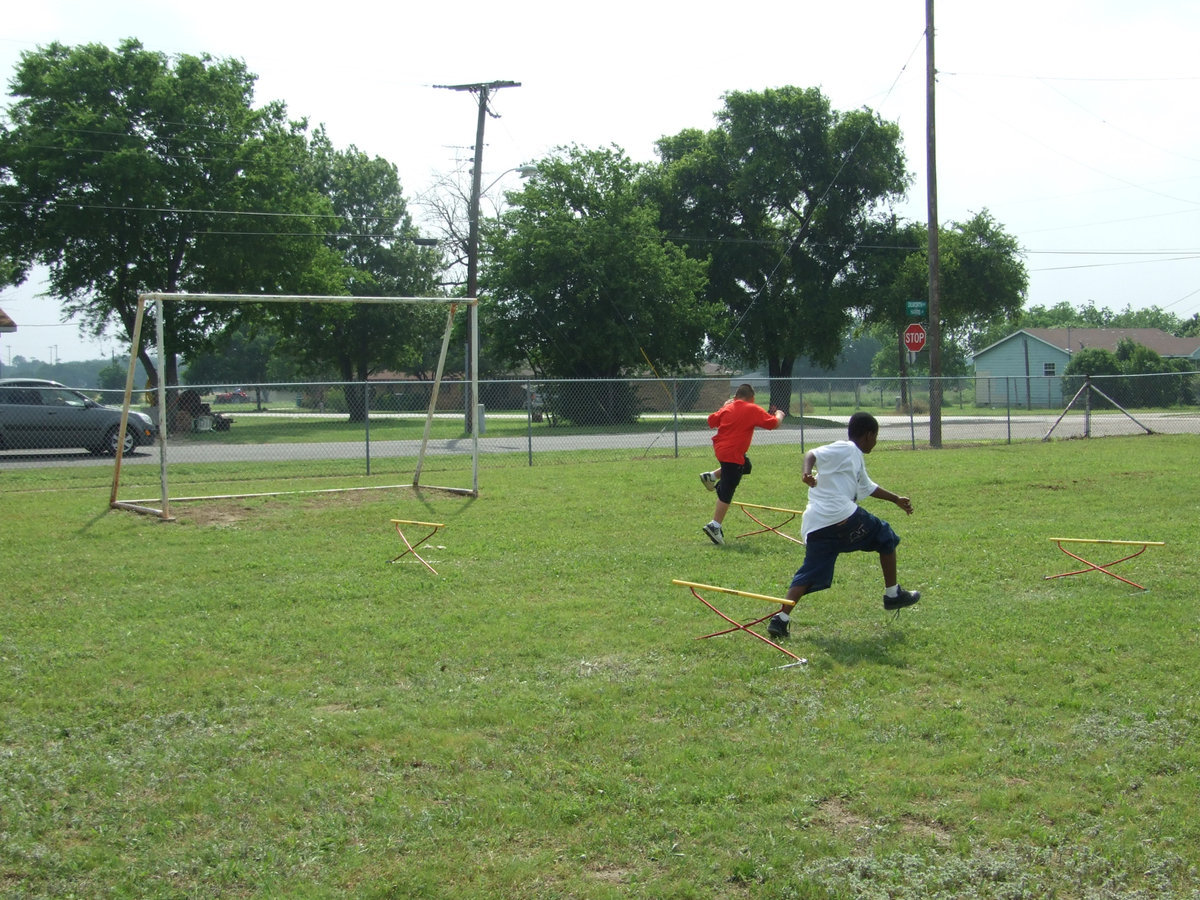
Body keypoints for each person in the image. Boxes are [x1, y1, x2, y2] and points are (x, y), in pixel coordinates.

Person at [768, 411, 919, 637]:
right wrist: (806, 473)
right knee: (885, 535)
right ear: (868, 435)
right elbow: (812, 453)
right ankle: (892, 594)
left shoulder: (855, 458)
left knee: (809, 574)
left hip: (817, 526)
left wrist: (896, 499)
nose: (875, 442)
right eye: (875, 437)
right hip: (840, 517)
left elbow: (867, 487)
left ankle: (780, 619)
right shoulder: (848, 449)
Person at [700, 383, 784, 545]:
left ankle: (711, 476)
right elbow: (773, 424)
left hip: (722, 449)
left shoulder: (728, 407)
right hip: (732, 453)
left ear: (735, 397)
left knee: (746, 466)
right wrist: (779, 414)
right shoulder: (751, 408)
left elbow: (712, 421)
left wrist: (723, 407)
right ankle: (715, 525)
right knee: (728, 489)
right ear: (751, 398)